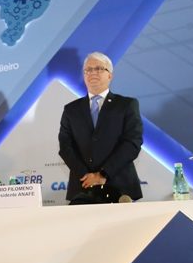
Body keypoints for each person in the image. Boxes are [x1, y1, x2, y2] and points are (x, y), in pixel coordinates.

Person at [58, 52, 143, 203]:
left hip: (120, 188)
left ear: (110, 75)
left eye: (98, 68)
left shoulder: (126, 105)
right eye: (88, 70)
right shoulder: (71, 109)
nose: (93, 73)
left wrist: (102, 174)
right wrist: (87, 176)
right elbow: (65, 146)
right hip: (82, 189)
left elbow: (132, 143)